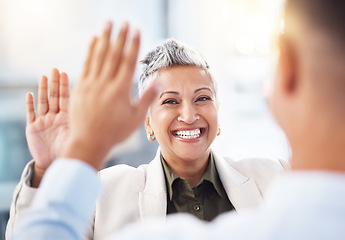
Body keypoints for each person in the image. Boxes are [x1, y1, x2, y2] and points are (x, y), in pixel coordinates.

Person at [11, 0, 345, 238]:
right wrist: (46, 173)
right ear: (147, 121)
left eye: (203, 98)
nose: (189, 114)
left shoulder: (275, 174)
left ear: (218, 110)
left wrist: (82, 152)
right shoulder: (102, 191)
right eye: (170, 101)